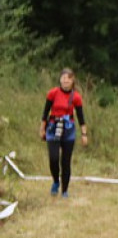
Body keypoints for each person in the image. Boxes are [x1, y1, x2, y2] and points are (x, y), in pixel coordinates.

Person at [39, 68, 88, 198]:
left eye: (68, 78)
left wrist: (84, 134)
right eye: (63, 78)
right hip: (53, 128)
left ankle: (65, 190)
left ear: (72, 81)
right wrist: (42, 128)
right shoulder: (53, 93)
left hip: (68, 130)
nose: (65, 80)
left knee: (65, 161)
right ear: (60, 79)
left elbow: (81, 117)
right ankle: (56, 181)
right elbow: (45, 112)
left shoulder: (76, 97)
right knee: (53, 158)